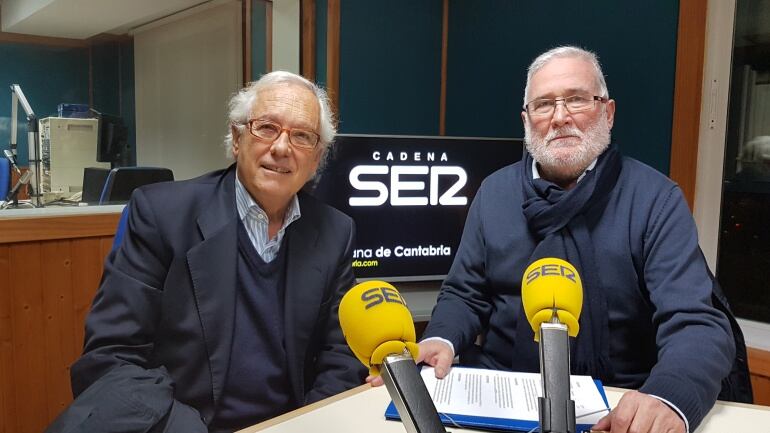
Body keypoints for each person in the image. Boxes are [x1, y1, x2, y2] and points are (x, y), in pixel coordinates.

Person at [410, 46, 747, 433]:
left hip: (619, 407)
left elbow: (695, 321)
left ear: (608, 111)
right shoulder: (494, 193)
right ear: (526, 120)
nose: (559, 117)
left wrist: (669, 397)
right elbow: (464, 293)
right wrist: (442, 338)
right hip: (499, 400)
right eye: (543, 104)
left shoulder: (655, 199)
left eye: (576, 100)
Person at [47, 71, 366, 433]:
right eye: (266, 128)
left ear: (316, 159)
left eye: (302, 136)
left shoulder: (335, 232)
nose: (281, 147)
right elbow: (112, 356)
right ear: (236, 137)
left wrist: (307, 425)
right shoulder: (161, 214)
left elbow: (340, 352)